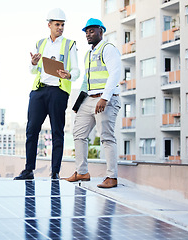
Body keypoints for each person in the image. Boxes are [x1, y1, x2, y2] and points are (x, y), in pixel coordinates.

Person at [14, 8, 80, 180]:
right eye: (57, 24)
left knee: (57, 131)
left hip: (58, 92)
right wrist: (33, 63)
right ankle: (28, 170)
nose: (60, 27)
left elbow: (77, 70)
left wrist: (70, 75)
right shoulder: (40, 43)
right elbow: (33, 70)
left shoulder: (70, 44)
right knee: (32, 129)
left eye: (62, 25)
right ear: (49, 25)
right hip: (39, 91)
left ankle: (55, 172)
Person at [64, 18, 121, 188]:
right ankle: (82, 172)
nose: (88, 34)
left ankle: (112, 177)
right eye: (86, 31)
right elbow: (86, 81)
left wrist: (105, 97)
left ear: (101, 31)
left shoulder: (108, 49)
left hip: (105, 99)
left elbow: (115, 73)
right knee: (79, 134)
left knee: (106, 137)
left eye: (91, 30)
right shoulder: (88, 54)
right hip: (88, 100)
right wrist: (78, 104)